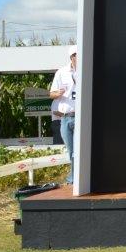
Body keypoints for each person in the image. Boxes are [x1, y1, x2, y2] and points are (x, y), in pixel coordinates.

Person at [48, 46, 77, 185]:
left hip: (80, 117)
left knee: (78, 150)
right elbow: (51, 94)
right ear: (71, 57)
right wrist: (58, 93)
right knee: (71, 151)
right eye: (76, 55)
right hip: (65, 118)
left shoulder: (86, 70)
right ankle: (73, 177)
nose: (78, 57)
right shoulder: (61, 72)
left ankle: (74, 179)